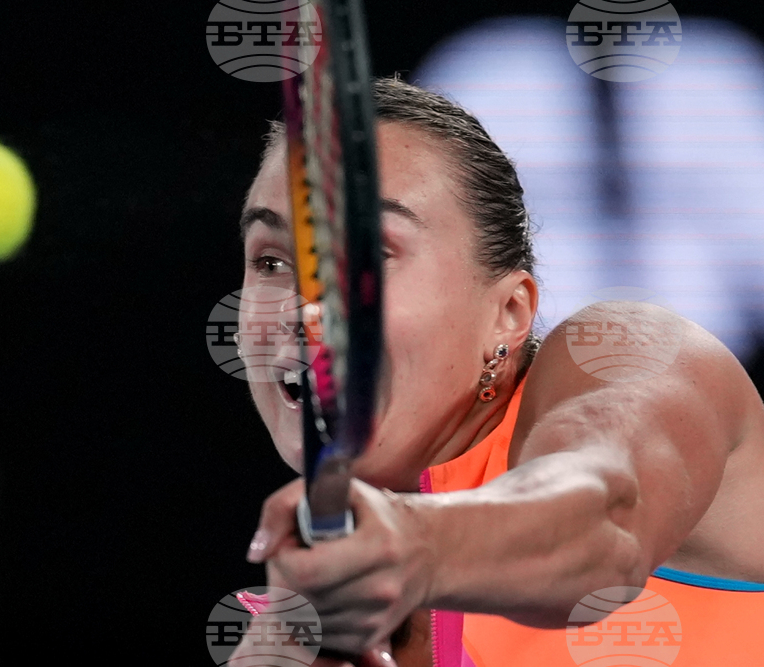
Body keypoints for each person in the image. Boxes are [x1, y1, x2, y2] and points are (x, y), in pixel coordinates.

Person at [230, 77, 764, 667]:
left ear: (509, 313)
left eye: (369, 255)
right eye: (272, 260)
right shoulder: (296, 635)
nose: (303, 309)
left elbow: (604, 522)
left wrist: (413, 544)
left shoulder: (628, 351)